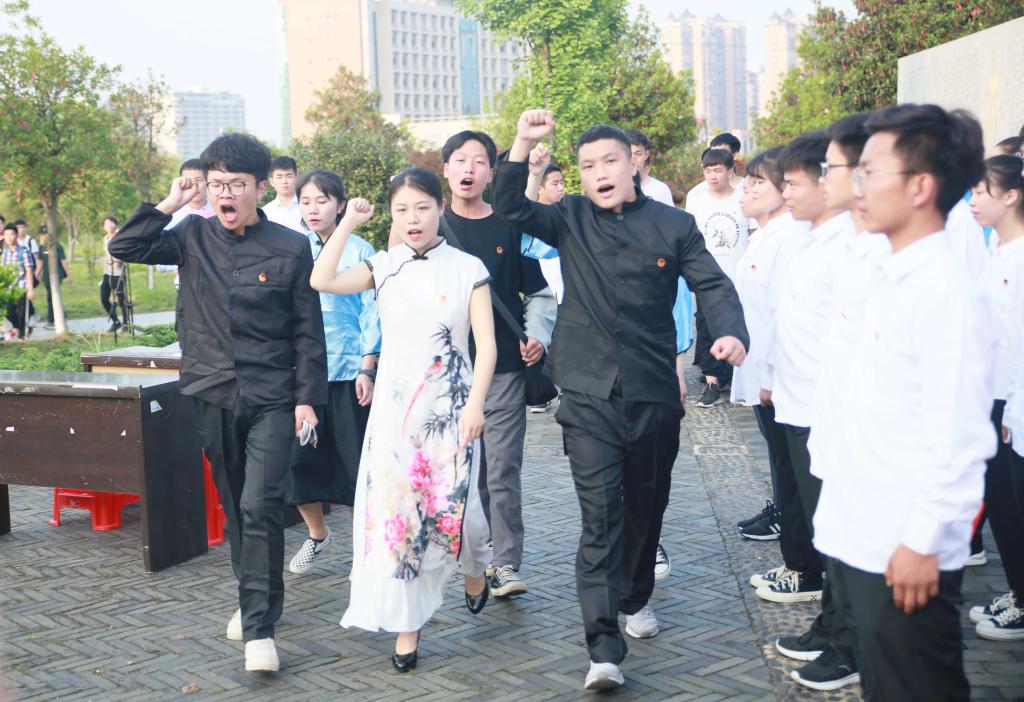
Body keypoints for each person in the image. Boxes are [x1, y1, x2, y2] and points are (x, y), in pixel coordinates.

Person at [493, 109, 748, 690]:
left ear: (632, 165)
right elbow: (509, 206)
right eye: (588, 166)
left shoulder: (674, 224)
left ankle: (636, 595)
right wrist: (523, 142)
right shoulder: (570, 217)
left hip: (653, 391)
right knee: (601, 516)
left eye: (610, 161)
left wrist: (731, 333)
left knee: (646, 507)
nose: (600, 173)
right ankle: (603, 647)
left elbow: (712, 283)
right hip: (587, 394)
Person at [109, 133, 327, 673]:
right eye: (216, 184)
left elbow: (308, 331)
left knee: (260, 505)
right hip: (211, 392)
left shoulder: (291, 246)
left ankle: (260, 630)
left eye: (236, 184)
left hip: (272, 396)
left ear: (260, 187)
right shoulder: (191, 234)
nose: (225, 193)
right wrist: (173, 201)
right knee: (235, 507)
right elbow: (126, 247)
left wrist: (307, 399)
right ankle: (252, 597)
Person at [812, 104, 994, 701]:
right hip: (863, 532)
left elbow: (959, 438)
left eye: (870, 173)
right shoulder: (888, 273)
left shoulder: (943, 291)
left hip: (905, 547)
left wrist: (923, 541)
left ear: (920, 187)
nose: (857, 188)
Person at [310, 167, 495, 672]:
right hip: (395, 418)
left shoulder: (467, 268)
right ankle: (409, 629)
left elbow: (486, 346)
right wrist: (348, 222)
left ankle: (475, 567)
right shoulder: (383, 265)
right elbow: (322, 279)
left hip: (452, 412)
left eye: (422, 208)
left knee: (463, 516)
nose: (413, 219)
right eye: (402, 210)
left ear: (440, 208)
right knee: (405, 522)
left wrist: (476, 404)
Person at [773, 113, 890, 692]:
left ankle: (850, 644)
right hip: (803, 408)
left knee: (847, 540)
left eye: (801, 180)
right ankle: (834, 623)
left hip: (834, 415)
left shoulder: (858, 246)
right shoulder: (814, 239)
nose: (790, 192)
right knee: (828, 534)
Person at [440, 129, 556, 598]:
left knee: (502, 469)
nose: (468, 169)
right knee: (457, 470)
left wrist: (538, 335)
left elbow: (541, 292)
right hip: (448, 375)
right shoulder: (429, 230)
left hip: (505, 368)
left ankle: (505, 562)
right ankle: (466, 554)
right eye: (460, 160)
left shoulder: (510, 225)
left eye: (479, 161)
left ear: (492, 172)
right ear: (445, 169)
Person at [286, 169, 381, 575]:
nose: (313, 209)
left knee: (357, 467)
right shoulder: (293, 248)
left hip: (350, 375)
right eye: (305, 201)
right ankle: (318, 534)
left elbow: (372, 312)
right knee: (297, 465)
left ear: (340, 205)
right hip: (306, 377)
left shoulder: (360, 250)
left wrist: (367, 367)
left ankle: (369, 553)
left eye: (321, 200)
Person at [729, 147, 809, 544]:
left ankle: (794, 533)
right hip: (760, 366)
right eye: (747, 184)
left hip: (777, 373)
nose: (748, 191)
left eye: (758, 183)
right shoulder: (764, 236)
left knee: (789, 459)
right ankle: (783, 513)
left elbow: (784, 314)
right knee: (779, 455)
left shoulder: (789, 237)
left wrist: (771, 376)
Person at [967, 153, 1024, 641]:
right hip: (993, 398)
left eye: (982, 192)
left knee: (1014, 505)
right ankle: (1018, 589)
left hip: (1013, 403)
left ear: (1011, 196)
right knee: (1001, 505)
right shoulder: (997, 248)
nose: (973, 200)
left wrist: (1011, 409)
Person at [685, 147, 750, 408]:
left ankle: (742, 381)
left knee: (741, 326)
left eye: (717, 170)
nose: (712, 176)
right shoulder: (697, 201)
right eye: (707, 170)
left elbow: (752, 236)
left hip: (738, 276)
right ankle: (711, 383)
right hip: (706, 278)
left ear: (730, 171)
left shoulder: (741, 200)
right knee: (707, 328)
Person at [2, 223, 35, 341]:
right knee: (8, 312)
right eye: (6, 235)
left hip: (22, 287)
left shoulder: (24, 251)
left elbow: (29, 271)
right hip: (9, 288)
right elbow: (4, 271)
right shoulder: (5, 253)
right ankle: (19, 326)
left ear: (16, 235)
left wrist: (30, 289)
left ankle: (22, 337)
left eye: (11, 234)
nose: (9, 237)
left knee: (21, 313)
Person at [625, 129, 674, 206]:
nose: (633, 160)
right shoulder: (613, 191)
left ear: (646, 154)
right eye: (628, 154)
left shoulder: (661, 189)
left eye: (637, 154)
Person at [36, 230, 72, 329]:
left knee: (52, 296)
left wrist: (69, 275)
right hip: (46, 276)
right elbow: (40, 263)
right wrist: (36, 275)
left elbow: (63, 261)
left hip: (57, 275)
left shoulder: (58, 246)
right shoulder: (42, 247)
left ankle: (51, 320)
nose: (44, 236)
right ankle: (62, 317)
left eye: (45, 234)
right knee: (51, 297)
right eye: (42, 235)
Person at [100, 217, 128, 332]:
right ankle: (116, 321)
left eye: (112, 223)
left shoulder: (120, 236)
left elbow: (126, 253)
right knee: (104, 298)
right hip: (107, 273)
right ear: (104, 227)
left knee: (121, 300)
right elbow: (106, 256)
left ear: (116, 224)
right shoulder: (105, 238)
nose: (109, 225)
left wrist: (116, 260)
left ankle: (126, 324)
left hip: (118, 273)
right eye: (107, 224)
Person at [264, 156, 303, 232]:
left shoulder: (307, 207)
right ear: (271, 181)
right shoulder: (266, 212)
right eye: (279, 177)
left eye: (289, 176)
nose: (284, 181)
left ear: (296, 178)